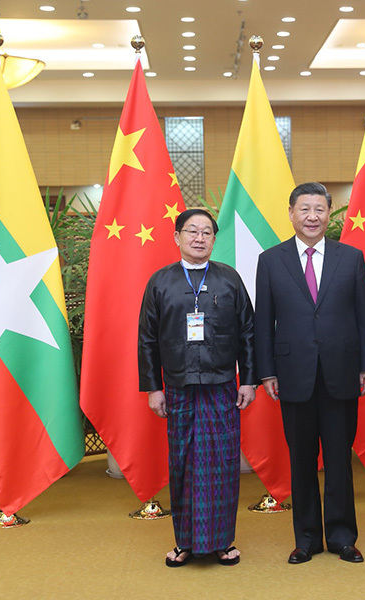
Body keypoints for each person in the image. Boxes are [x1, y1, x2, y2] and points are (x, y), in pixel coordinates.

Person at [254, 182, 365, 564]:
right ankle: (306, 539)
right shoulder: (270, 260)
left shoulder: (351, 257)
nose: (312, 216)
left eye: (319, 209)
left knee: (339, 460)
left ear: (329, 213)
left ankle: (342, 537)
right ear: (291, 213)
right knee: (302, 460)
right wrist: (266, 372)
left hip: (342, 372)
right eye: (304, 209)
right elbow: (263, 322)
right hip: (293, 374)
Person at [138, 208, 256, 568]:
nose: (199, 238)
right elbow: (147, 339)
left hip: (222, 387)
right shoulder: (160, 282)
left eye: (207, 232)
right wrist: (153, 388)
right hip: (178, 387)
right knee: (184, 463)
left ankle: (222, 541)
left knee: (221, 464)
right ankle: (185, 542)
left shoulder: (229, 279)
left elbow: (248, 334)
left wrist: (249, 380)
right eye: (192, 231)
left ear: (214, 240)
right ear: (177, 237)